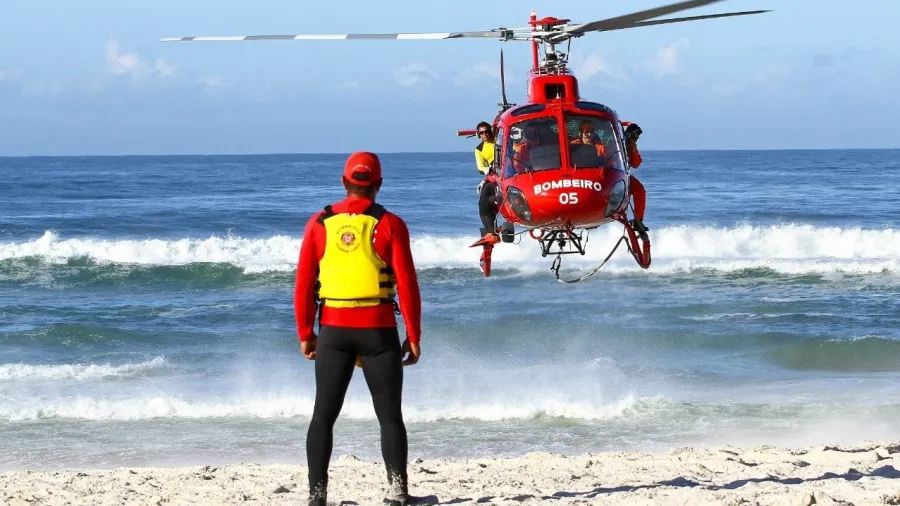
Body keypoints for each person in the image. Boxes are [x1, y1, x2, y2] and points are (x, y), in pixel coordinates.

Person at [294, 151, 422, 506]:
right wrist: (413, 335)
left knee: (323, 415)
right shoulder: (391, 224)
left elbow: (304, 284)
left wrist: (306, 332)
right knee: (390, 416)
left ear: (343, 182)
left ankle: (317, 497)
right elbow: (408, 285)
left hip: (333, 331)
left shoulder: (318, 224)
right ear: (379, 185)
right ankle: (397, 494)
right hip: (379, 333)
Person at [473, 122, 501, 246]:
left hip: (505, 176)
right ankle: (491, 232)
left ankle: (492, 231)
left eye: (487, 131)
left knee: (487, 199)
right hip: (493, 177)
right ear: (479, 135)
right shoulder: (479, 149)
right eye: (482, 133)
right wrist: (487, 171)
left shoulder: (500, 140)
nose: (485, 134)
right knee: (483, 200)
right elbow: (480, 167)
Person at [624, 122, 650, 241]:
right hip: (604, 173)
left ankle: (638, 221)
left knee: (640, 190)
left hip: (619, 175)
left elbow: (636, 164)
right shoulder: (609, 143)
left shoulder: (628, 145)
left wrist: (632, 146)